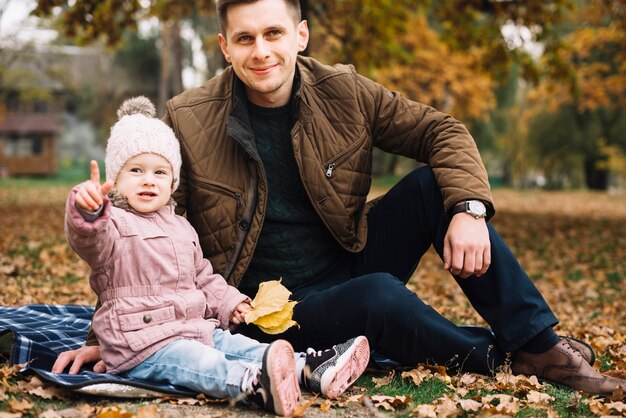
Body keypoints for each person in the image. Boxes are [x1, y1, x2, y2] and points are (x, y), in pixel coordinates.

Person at [56, 0, 626, 397]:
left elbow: (442, 133)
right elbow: (137, 223)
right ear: (225, 46)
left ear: (300, 35)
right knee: (379, 297)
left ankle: (538, 345)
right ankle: (500, 357)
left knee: (433, 189)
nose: (262, 51)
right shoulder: (190, 116)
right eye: (246, 38)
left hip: (347, 260)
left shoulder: (346, 92)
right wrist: (108, 335)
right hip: (262, 309)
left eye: (274, 33)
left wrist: (468, 210)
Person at [60, 96, 370, 416]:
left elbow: (204, 277)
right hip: (143, 343)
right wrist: (87, 210)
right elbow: (88, 238)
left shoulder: (181, 227)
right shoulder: (112, 225)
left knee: (238, 346)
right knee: (203, 363)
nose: (149, 179)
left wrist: (229, 303)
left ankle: (309, 367)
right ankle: (253, 384)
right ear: (117, 179)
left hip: (195, 328)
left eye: (160, 172)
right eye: (136, 170)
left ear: (173, 181)